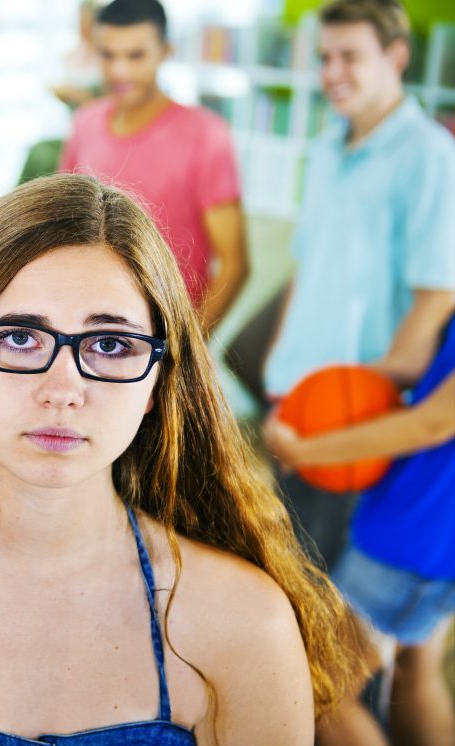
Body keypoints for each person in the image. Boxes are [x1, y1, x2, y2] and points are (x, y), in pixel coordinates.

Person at [0, 173, 362, 744]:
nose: (62, 389)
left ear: (157, 384)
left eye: (110, 345)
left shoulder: (243, 625)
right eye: (19, 338)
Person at [261, 0, 455, 573]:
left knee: (339, 612)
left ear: (396, 56)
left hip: (352, 414)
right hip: (296, 397)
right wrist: (282, 367)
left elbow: (437, 295)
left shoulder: (431, 157)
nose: (331, 73)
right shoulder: (323, 149)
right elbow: (308, 265)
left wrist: (368, 402)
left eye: (350, 56)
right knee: (291, 572)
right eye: (324, 57)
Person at [264, 315, 455, 746]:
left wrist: (303, 449)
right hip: (431, 539)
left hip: (414, 537)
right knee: (416, 673)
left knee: (323, 693)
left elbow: (433, 423)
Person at [59, 0, 248, 335]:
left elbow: (235, 265)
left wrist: (184, 352)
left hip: (165, 333)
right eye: (108, 55)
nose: (120, 71)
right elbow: (64, 227)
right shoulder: (84, 123)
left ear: (165, 51)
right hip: (87, 332)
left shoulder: (205, 135)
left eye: (136, 56)